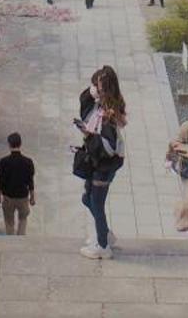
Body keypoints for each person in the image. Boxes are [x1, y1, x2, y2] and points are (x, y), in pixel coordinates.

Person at [74, 64, 126, 259]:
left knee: (96, 202)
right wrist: (90, 91)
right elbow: (84, 108)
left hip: (105, 164)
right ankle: (104, 233)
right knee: (87, 199)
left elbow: (108, 147)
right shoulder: (100, 106)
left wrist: (88, 135)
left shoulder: (109, 115)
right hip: (96, 161)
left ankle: (103, 245)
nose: (94, 89)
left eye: (97, 86)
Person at [0, 132, 35, 236]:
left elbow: (1, 181)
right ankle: (20, 241)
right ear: (20, 144)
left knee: (9, 223)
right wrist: (32, 197)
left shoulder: (3, 162)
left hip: (8, 197)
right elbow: (30, 181)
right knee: (23, 220)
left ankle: (11, 242)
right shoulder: (28, 162)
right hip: (23, 197)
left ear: (9, 144)